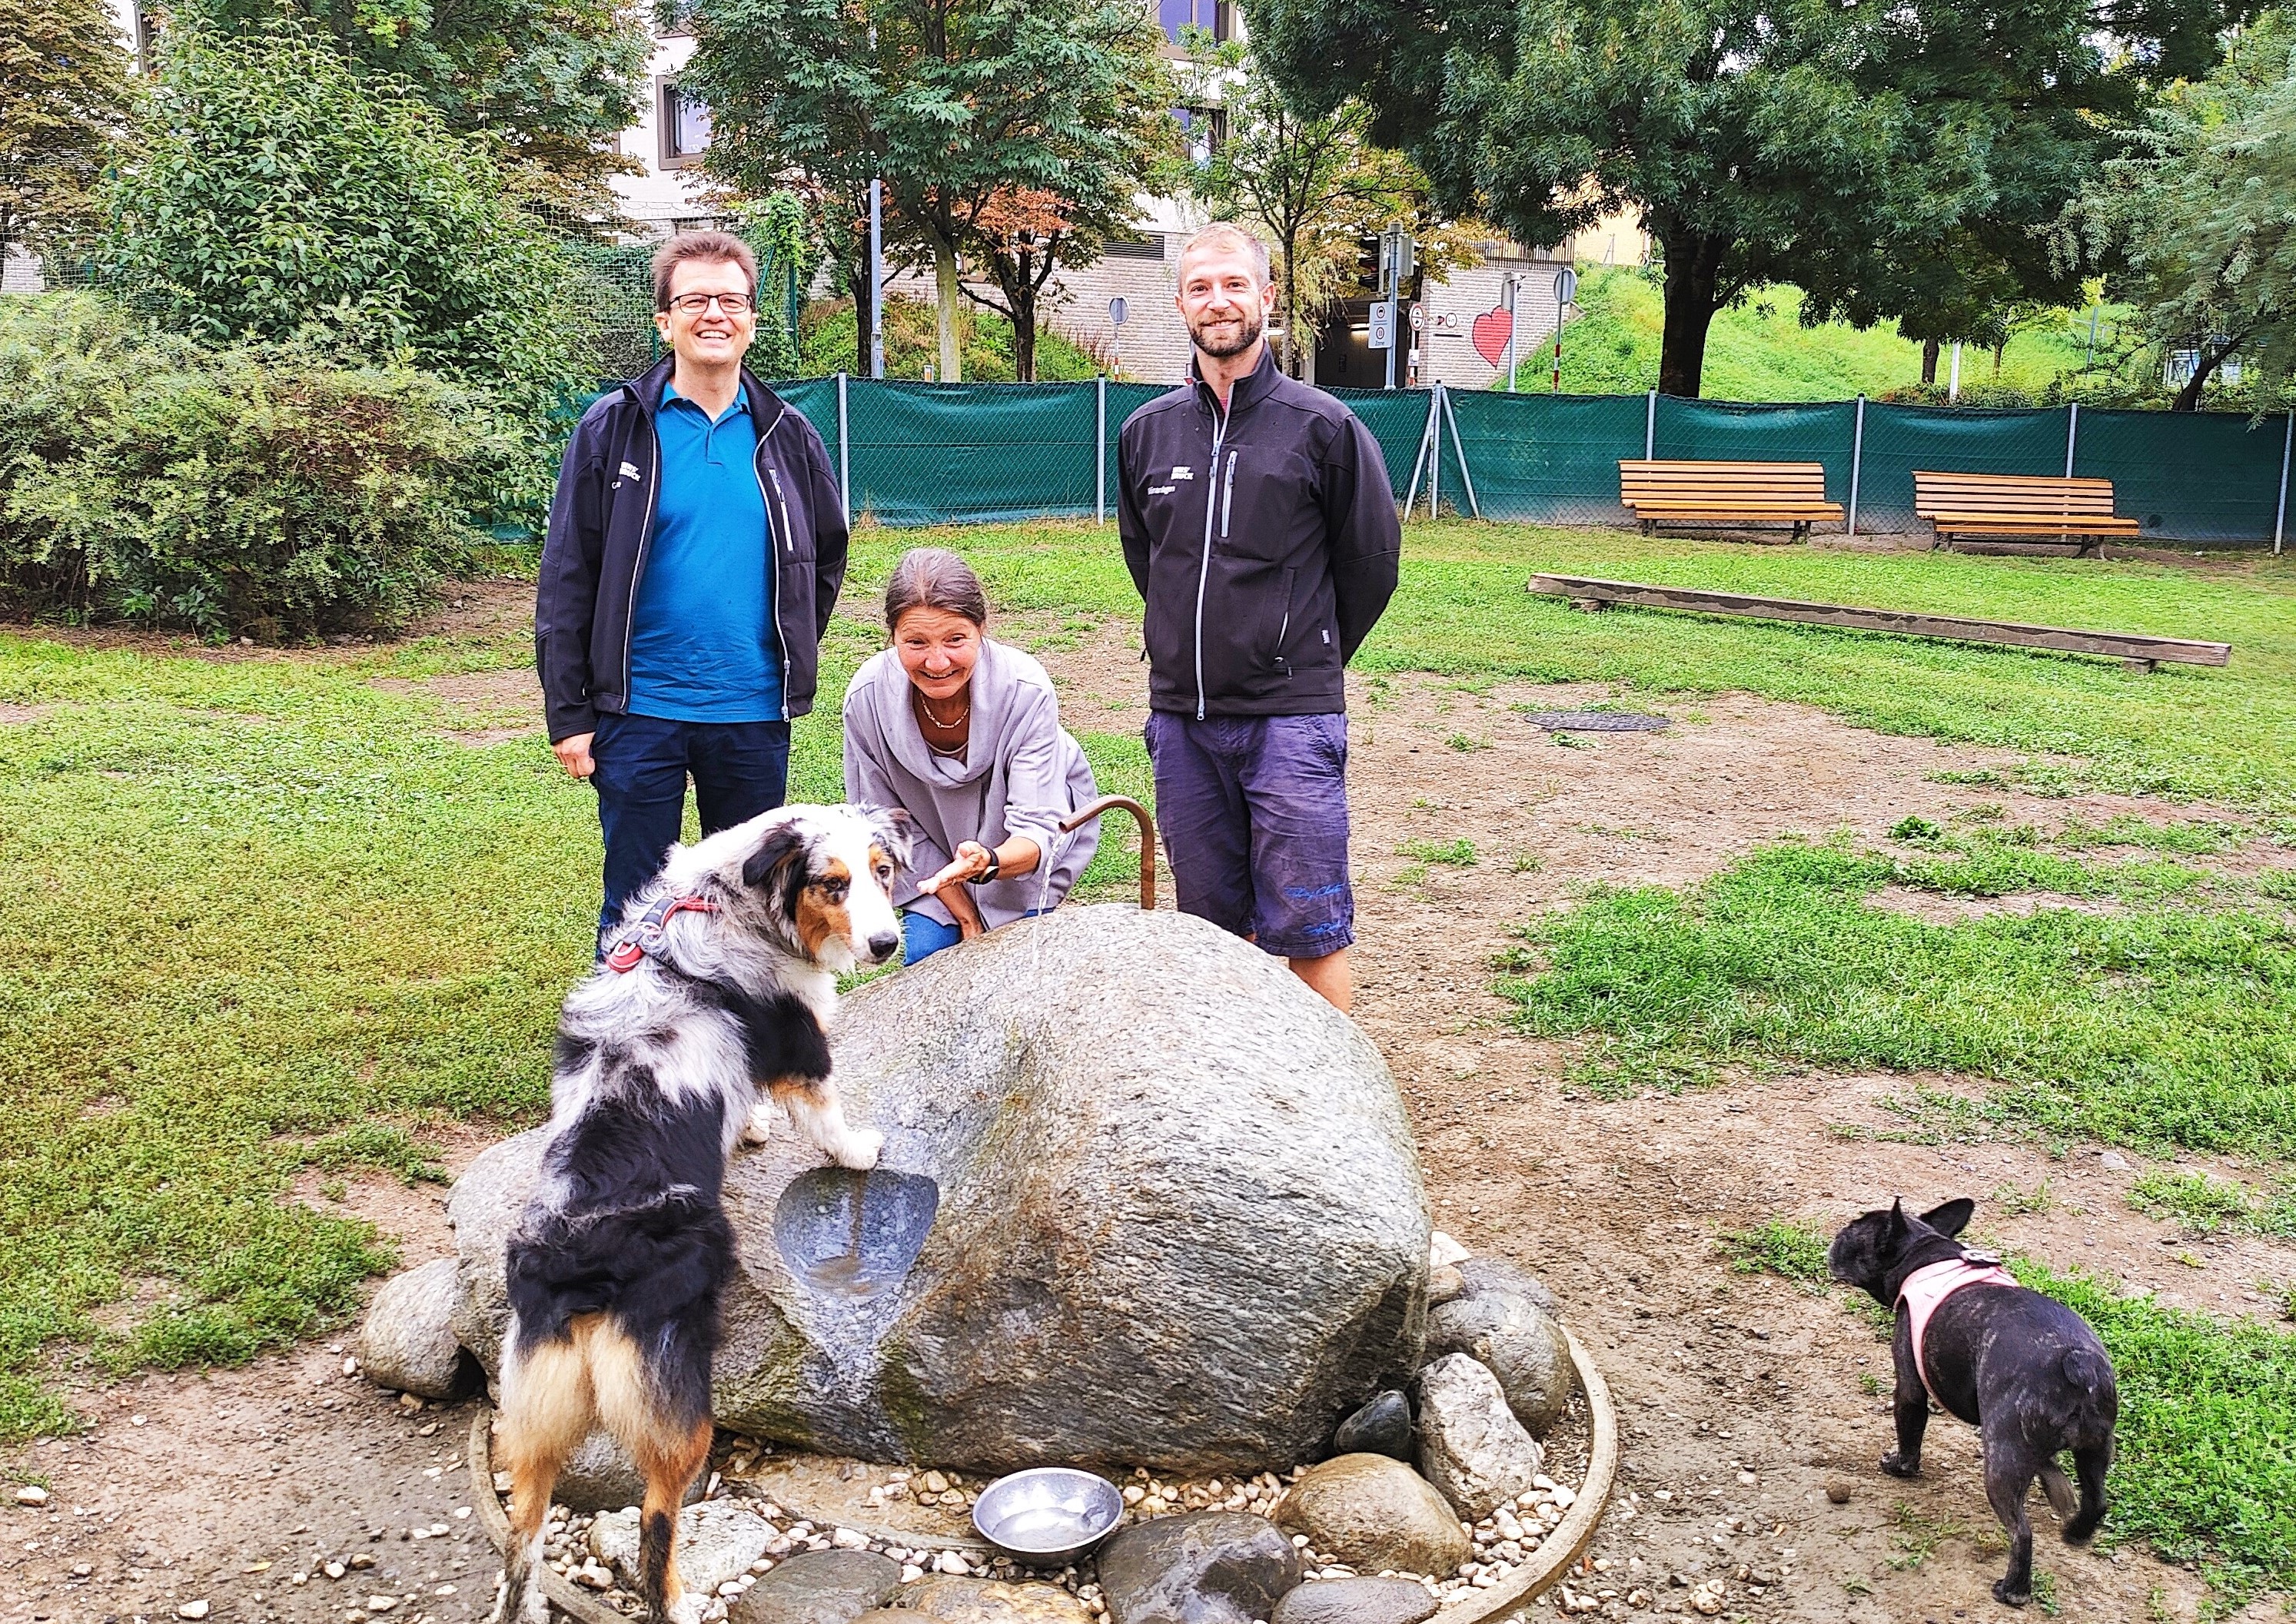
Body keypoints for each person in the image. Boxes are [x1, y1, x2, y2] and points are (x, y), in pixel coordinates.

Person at [1115, 221, 1401, 1013]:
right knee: (1212, 935)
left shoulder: (1323, 427)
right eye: (1200, 287)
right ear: (1180, 304)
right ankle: (1229, 1082)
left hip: (1291, 724)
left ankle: (1327, 1087)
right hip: (1183, 722)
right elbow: (1148, 561)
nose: (1218, 301)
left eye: (1234, 284)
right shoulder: (1145, 433)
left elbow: (1370, 563)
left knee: (1311, 931)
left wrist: (1298, 650)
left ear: (1267, 298)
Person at [537, 231, 849, 945]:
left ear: (752, 321)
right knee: (639, 899)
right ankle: (628, 1013)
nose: (715, 314)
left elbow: (822, 559)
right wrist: (569, 712)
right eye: (695, 300)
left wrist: (787, 645)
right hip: (636, 710)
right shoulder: (613, 428)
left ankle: (741, 1015)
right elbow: (567, 574)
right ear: (665, 320)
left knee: (751, 901)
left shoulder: (788, 434)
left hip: (751, 712)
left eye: (731, 301)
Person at [843, 547, 1101, 964]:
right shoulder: (867, 698)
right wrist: (964, 914)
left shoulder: (1026, 690)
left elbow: (1036, 829)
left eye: (955, 639)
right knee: (928, 957)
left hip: (1016, 857)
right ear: (893, 638)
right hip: (931, 866)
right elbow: (888, 827)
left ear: (981, 629)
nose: (937, 662)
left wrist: (988, 862)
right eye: (916, 642)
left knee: (1019, 964)